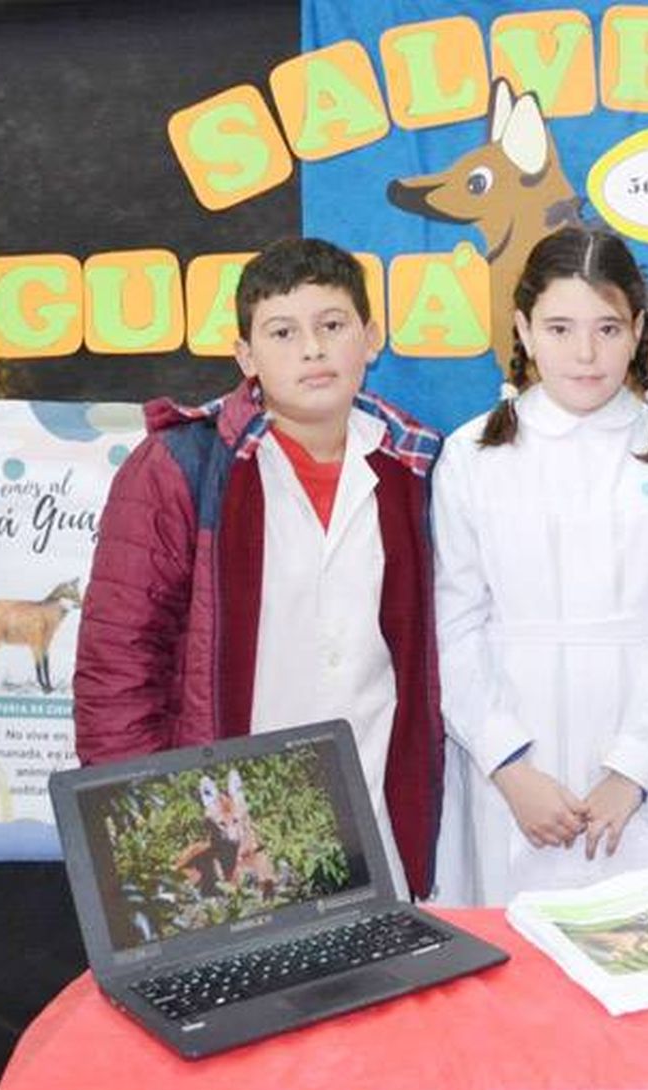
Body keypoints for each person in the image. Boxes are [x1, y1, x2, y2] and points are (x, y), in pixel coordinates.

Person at [73, 236, 444, 900]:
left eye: (333, 325)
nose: (312, 349)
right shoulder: (184, 467)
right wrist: (159, 821)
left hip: (376, 809)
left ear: (371, 338)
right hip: (230, 820)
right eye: (282, 331)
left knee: (377, 998)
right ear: (245, 354)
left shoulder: (416, 468)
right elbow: (118, 667)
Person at [432, 226, 648, 906]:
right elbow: (454, 626)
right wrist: (508, 765)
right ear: (524, 330)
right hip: (512, 770)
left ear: (640, 330)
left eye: (608, 328)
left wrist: (631, 771)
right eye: (560, 328)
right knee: (516, 984)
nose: (585, 354)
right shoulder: (472, 455)